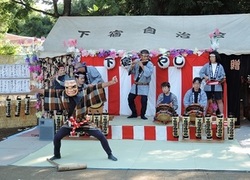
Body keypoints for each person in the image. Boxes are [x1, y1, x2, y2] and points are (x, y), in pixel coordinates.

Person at [30, 76, 118, 161]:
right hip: (70, 122)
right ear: (65, 88)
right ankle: (57, 155)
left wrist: (111, 82)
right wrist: (36, 90)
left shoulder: (83, 92)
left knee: (101, 136)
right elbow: (48, 92)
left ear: (76, 86)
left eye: (73, 87)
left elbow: (98, 87)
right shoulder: (62, 94)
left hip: (83, 121)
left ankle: (110, 154)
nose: (70, 90)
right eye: (67, 87)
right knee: (57, 137)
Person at [127, 49, 154, 120]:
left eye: (147, 56)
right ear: (140, 56)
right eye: (143, 56)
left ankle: (143, 115)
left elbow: (148, 74)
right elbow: (131, 72)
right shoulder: (137, 61)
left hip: (144, 84)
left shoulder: (150, 64)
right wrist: (132, 66)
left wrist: (142, 66)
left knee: (144, 101)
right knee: (130, 98)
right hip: (136, 84)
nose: (145, 58)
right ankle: (134, 113)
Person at [199, 51, 226, 115]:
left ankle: (222, 114)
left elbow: (223, 75)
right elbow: (201, 72)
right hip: (208, 85)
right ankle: (204, 114)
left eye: (213, 57)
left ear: (216, 57)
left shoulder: (220, 66)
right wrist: (205, 77)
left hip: (217, 85)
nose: (211, 58)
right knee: (207, 100)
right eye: (210, 57)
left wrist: (220, 79)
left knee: (219, 100)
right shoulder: (207, 65)